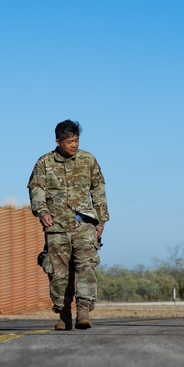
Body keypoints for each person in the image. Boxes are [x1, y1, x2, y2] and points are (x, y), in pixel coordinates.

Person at [28, 120, 109, 330]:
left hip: (84, 225)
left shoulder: (88, 160)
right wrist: (42, 211)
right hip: (57, 227)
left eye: (76, 140)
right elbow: (36, 189)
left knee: (86, 268)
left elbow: (98, 189)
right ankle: (63, 314)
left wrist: (101, 219)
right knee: (58, 273)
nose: (74, 145)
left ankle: (83, 312)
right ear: (58, 141)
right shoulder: (44, 163)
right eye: (70, 141)